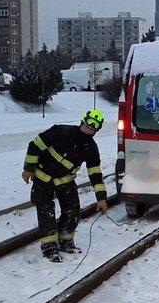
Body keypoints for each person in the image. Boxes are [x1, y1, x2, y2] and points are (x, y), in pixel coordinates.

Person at [22, 109, 109, 263]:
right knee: (46, 211)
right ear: (82, 122)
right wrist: (28, 168)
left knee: (72, 210)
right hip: (44, 178)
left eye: (92, 129)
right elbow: (35, 145)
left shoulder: (91, 148)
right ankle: (49, 247)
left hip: (65, 180)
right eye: (87, 126)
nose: (88, 131)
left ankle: (66, 241)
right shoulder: (60, 132)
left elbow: (95, 173)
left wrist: (101, 198)